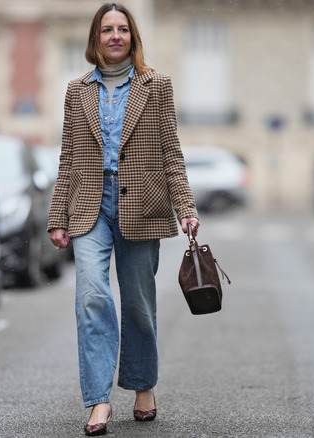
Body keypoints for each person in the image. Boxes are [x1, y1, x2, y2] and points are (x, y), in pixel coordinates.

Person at [47, 3, 200, 436]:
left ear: (133, 37)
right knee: (91, 295)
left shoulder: (156, 85)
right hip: (89, 205)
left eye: (123, 29)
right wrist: (58, 215)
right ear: (95, 38)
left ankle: (142, 383)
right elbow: (69, 158)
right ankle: (98, 401)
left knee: (137, 302)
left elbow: (171, 151)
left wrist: (185, 208)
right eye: (107, 30)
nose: (115, 36)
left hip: (142, 203)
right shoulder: (76, 92)